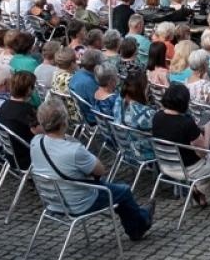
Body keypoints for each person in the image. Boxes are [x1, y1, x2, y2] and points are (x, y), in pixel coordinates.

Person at [29, 97, 154, 240]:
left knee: (113, 189)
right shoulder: (73, 150)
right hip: (79, 202)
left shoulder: (36, 142)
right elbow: (100, 170)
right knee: (123, 191)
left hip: (53, 200)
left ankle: (137, 217)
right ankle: (140, 224)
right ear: (64, 121)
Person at [150, 84, 210, 217]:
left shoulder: (157, 117)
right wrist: (207, 130)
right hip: (190, 168)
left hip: (167, 166)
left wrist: (197, 131)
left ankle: (200, 192)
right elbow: (203, 152)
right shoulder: (185, 123)